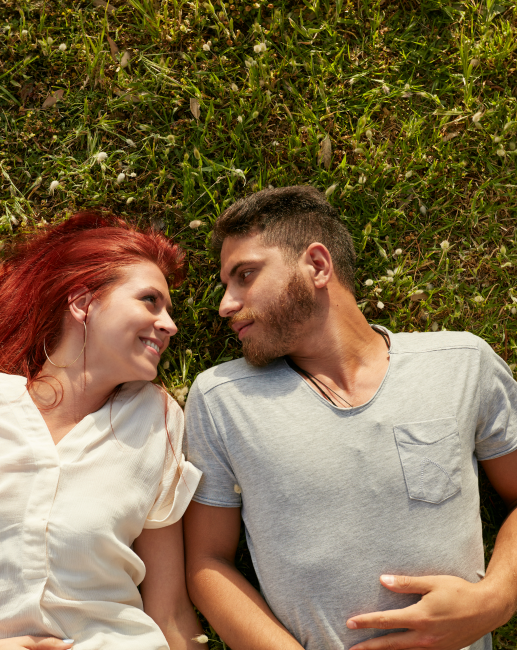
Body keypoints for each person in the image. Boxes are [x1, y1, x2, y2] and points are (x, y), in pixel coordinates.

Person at [183, 185, 517, 650]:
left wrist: (497, 599)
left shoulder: (461, 363)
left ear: (317, 266)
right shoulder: (222, 400)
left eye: (245, 275)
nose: (226, 305)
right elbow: (206, 562)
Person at [0, 212, 207, 650]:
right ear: (83, 303)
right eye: (149, 301)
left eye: (168, 310)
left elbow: (170, 610)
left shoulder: (157, 418)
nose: (169, 324)